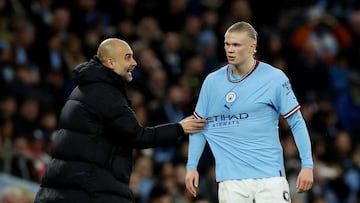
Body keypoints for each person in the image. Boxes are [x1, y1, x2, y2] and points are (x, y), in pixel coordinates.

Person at [33, 38, 207, 203]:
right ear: (111, 63)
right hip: (91, 189)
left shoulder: (85, 89)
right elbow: (138, 136)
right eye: (127, 57)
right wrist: (180, 128)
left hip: (68, 187)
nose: (134, 63)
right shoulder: (106, 94)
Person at [185, 21, 314, 203]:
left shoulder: (274, 78)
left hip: (270, 178)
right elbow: (198, 126)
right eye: (227, 44)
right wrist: (191, 166)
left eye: (236, 45)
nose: (230, 49)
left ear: (252, 47)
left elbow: (297, 122)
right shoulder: (212, 82)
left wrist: (307, 165)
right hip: (230, 181)